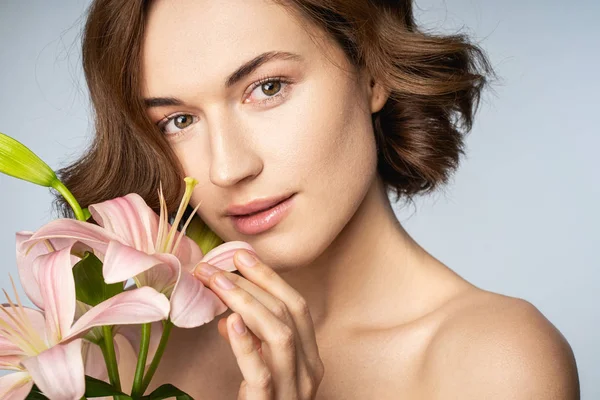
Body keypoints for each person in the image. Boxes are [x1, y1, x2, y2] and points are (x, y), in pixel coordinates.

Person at [57, 0, 580, 398]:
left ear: (372, 70)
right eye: (178, 121)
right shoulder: (121, 344)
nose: (228, 167)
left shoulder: (495, 362)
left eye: (268, 88)